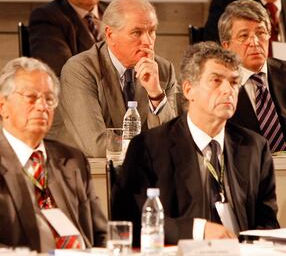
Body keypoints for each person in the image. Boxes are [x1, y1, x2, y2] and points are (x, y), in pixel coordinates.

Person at [112, 42, 279, 246]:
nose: (228, 90)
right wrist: (198, 230)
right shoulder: (149, 147)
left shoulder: (255, 147)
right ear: (189, 90)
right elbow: (131, 221)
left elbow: (268, 222)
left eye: (234, 82)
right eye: (216, 81)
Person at [0, 57, 107, 252]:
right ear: (2, 105)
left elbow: (101, 234)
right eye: (31, 97)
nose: (42, 106)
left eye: (49, 99)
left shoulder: (73, 160)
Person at [51, 0, 178, 158]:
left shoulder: (163, 70)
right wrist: (152, 147)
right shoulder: (80, 70)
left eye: (152, 31)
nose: (147, 41)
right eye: (136, 32)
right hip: (85, 171)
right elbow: (97, 146)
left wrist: (156, 94)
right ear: (110, 35)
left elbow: (173, 140)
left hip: (140, 170)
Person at [219, 0, 286, 153]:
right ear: (226, 46)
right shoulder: (218, 87)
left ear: (269, 36)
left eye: (261, 33)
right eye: (244, 36)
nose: (254, 42)